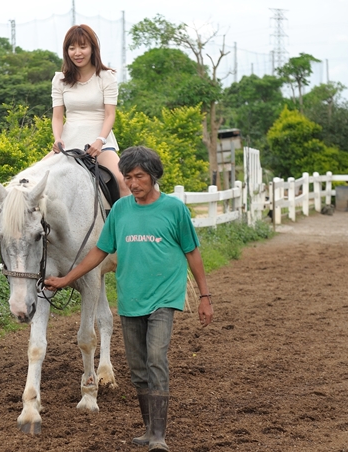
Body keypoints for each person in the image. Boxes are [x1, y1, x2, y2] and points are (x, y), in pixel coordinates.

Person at [44, 146, 213, 452]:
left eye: (140, 176)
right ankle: (149, 430)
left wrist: (204, 295)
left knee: (155, 358)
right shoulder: (121, 210)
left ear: (153, 176)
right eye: (128, 177)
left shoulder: (174, 210)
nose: (133, 183)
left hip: (164, 296)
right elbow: (98, 251)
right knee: (137, 368)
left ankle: (159, 436)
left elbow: (192, 252)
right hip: (131, 298)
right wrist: (68, 278)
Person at [45, 24, 130, 197]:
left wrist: (100, 141)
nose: (77, 52)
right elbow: (58, 117)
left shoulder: (107, 77)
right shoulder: (59, 79)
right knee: (32, 178)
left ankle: (125, 223)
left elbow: (109, 114)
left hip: (100, 144)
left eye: (83, 47)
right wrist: (58, 139)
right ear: (66, 51)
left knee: (123, 181)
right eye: (72, 48)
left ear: (92, 49)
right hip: (68, 144)